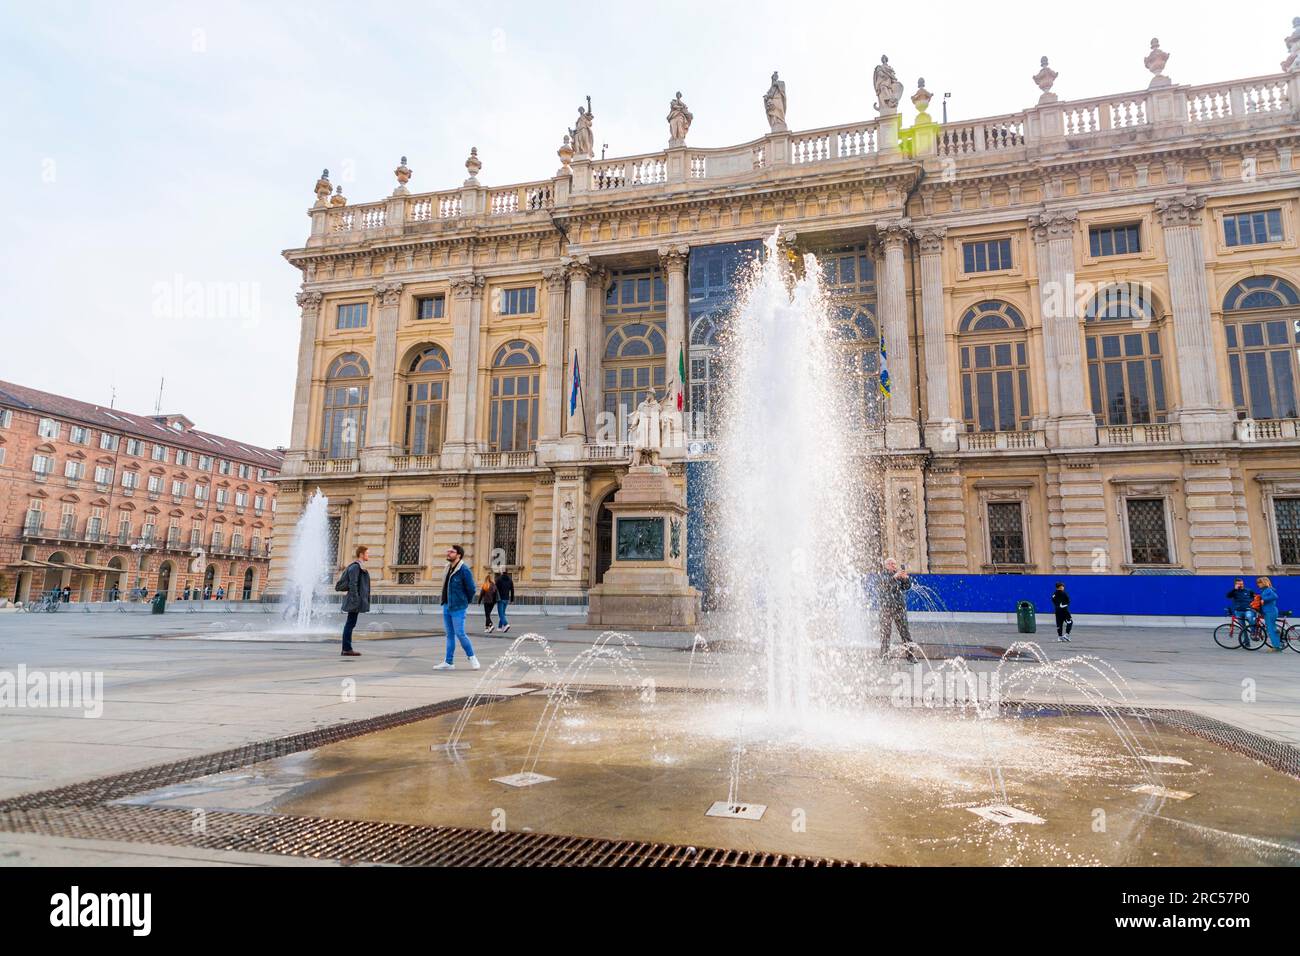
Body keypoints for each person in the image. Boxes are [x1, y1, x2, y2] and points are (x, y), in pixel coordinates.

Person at [435, 545, 479, 671]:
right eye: (448, 551)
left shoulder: (464, 570)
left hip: (458, 607)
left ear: (458, 555)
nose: (448, 553)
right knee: (449, 635)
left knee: (460, 633)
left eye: (451, 552)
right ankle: (448, 662)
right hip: (447, 605)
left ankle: (472, 657)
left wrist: (464, 602)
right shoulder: (447, 567)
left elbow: (472, 589)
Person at [334, 545, 370, 658]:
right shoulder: (355, 567)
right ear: (361, 554)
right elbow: (353, 584)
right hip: (354, 601)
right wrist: (356, 600)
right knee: (350, 624)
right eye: (367, 553)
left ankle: (347, 648)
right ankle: (346, 649)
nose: (369, 555)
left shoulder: (359, 566)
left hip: (355, 600)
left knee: (351, 623)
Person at [878, 557, 916, 663]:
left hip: (899, 608)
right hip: (886, 609)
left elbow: (907, 587)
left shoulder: (898, 576)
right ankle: (884, 656)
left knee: (905, 633)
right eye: (891, 564)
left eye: (895, 564)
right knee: (885, 633)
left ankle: (910, 656)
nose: (894, 566)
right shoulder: (882, 575)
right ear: (886, 565)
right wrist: (895, 577)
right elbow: (885, 584)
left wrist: (905, 579)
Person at [1256, 575, 1283, 651]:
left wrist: (1264, 599)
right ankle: (1278, 642)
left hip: (1270, 612)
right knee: (1272, 628)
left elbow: (1275, 596)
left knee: (1270, 629)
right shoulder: (1266, 590)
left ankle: (1276, 647)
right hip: (1270, 611)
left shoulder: (1268, 589)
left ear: (1264, 583)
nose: (1258, 584)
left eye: (1259, 583)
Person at [495, 569, 514, 633]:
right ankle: (499, 627)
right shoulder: (510, 580)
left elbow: (495, 589)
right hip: (506, 599)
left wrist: (494, 598)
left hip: (500, 599)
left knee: (500, 613)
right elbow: (512, 590)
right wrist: (512, 599)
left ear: (502, 572)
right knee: (502, 613)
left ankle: (506, 624)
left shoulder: (499, 579)